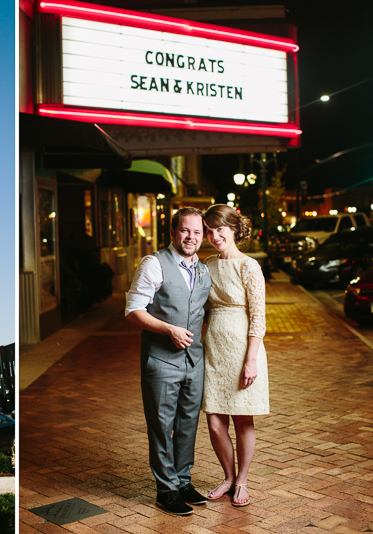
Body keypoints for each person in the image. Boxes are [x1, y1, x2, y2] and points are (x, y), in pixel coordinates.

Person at [125, 207, 211, 516]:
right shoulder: (154, 264)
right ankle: (166, 489)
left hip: (194, 361)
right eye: (185, 230)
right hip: (161, 361)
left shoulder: (203, 269)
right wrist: (168, 329)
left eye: (197, 232)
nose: (191, 237)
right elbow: (134, 310)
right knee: (162, 426)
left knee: (187, 424)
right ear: (173, 232)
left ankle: (183, 481)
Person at [202, 204, 269, 507]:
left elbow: (258, 317)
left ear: (233, 229)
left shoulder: (249, 266)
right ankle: (228, 476)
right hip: (214, 346)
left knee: (243, 419)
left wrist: (251, 359)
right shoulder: (207, 264)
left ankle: (242, 480)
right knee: (215, 419)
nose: (214, 236)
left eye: (219, 229)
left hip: (243, 348)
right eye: (209, 230)